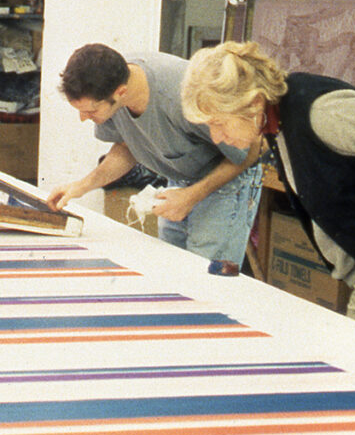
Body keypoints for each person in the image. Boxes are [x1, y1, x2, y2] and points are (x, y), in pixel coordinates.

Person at [181, 40, 355, 355]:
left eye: (217, 123)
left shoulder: (323, 115)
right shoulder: (276, 121)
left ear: (253, 102)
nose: (216, 137)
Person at [47, 43, 263, 267]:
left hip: (227, 177)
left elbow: (249, 151)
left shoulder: (184, 93)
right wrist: (81, 186)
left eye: (91, 111)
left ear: (121, 92)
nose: (84, 118)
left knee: (205, 275)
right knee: (173, 268)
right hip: (182, 177)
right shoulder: (109, 80)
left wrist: (191, 196)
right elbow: (125, 147)